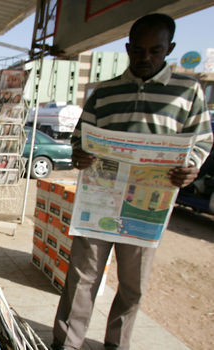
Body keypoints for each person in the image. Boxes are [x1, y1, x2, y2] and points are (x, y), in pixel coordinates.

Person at [51, 14, 212, 350]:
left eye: (155, 50)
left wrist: (191, 167)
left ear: (170, 49)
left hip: (147, 207)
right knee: (81, 279)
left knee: (132, 285)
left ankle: (116, 344)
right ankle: (66, 343)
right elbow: (81, 136)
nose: (145, 58)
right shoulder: (105, 92)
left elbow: (202, 140)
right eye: (138, 50)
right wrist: (80, 153)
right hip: (99, 202)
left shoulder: (188, 92)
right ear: (128, 48)